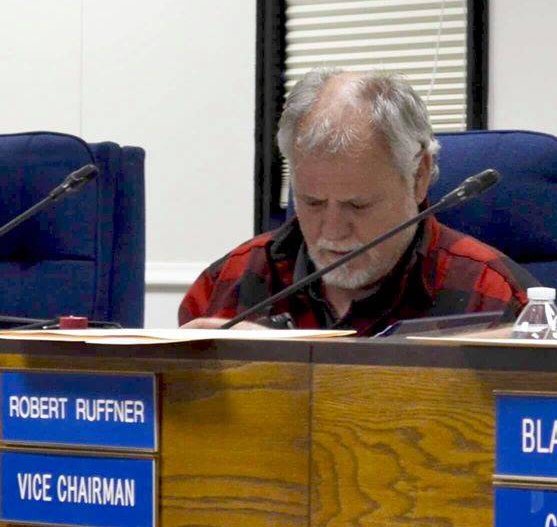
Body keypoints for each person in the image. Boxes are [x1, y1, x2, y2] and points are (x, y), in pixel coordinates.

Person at [180, 70, 533, 332]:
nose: (332, 231)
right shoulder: (226, 284)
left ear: (419, 176)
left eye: (358, 205)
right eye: (313, 202)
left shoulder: (495, 294)